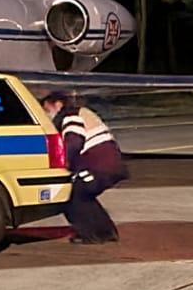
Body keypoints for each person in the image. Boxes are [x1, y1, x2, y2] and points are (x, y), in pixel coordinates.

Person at [40, 89, 128, 244]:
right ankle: (105, 233)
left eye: (47, 109)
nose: (46, 115)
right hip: (107, 165)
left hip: (98, 166)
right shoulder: (80, 113)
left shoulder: (70, 116)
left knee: (72, 195)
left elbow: (74, 141)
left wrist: (64, 163)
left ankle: (93, 234)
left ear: (58, 104)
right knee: (84, 195)